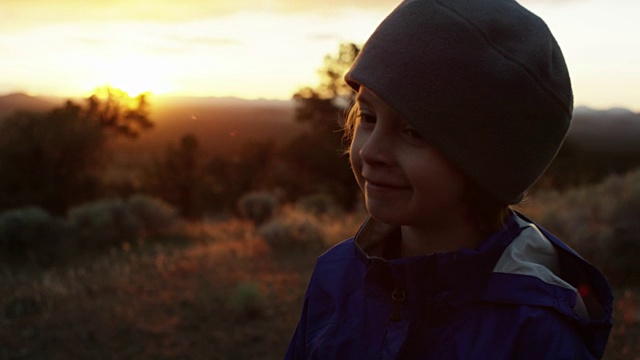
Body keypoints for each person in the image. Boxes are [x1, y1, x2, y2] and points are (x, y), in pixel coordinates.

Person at [284, 0, 613, 359]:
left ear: (490, 161)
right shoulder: (336, 276)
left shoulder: (534, 329)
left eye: (412, 131)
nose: (370, 151)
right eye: (368, 117)